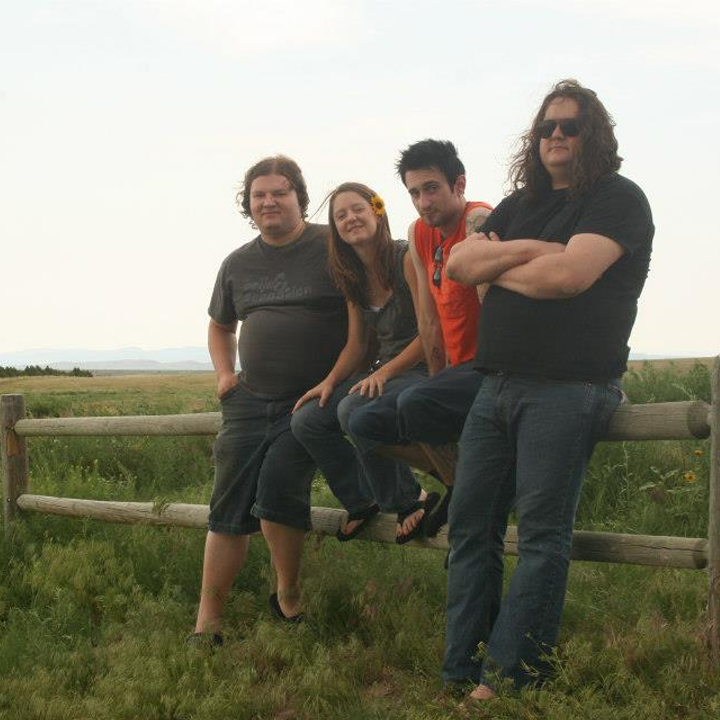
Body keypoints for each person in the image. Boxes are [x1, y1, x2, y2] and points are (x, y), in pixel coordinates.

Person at [442, 79, 654, 698]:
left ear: (595, 136)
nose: (556, 136)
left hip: (570, 388)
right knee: (469, 527)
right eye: (547, 128)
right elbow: (459, 267)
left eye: (570, 127)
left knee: (540, 536)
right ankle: (463, 668)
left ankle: (509, 679)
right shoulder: (518, 206)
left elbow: (569, 277)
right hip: (497, 384)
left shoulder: (619, 199)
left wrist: (501, 263)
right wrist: (533, 248)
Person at [191, 155, 347, 642]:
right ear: (249, 205)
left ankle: (288, 595)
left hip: (308, 402)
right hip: (248, 401)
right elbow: (220, 325)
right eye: (260, 195)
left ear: (300, 197)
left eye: (280, 192)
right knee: (226, 509)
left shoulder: (332, 247)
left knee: (280, 491)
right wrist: (223, 374)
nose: (269, 201)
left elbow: (373, 292)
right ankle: (208, 622)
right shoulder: (237, 263)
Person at [337, 140, 493, 536]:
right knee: (365, 421)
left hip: (490, 367)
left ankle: (469, 496)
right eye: (414, 192)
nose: (423, 201)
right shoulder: (421, 233)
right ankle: (457, 482)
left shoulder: (478, 221)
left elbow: (493, 307)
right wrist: (438, 376)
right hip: (453, 370)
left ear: (458, 184)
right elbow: (429, 318)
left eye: (432, 188)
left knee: (416, 401)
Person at [291, 182, 438, 544]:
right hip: (387, 371)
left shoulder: (406, 258)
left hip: (423, 367)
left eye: (357, 209)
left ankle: (410, 499)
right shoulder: (351, 277)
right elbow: (357, 345)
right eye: (340, 215)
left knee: (355, 410)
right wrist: (329, 382)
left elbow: (431, 333)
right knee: (308, 419)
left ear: (377, 210)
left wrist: (386, 372)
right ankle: (363, 498)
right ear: (335, 229)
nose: (350, 219)